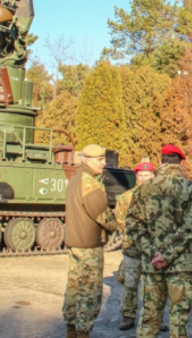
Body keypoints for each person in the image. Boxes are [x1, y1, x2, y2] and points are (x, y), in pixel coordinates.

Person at [127, 144, 192, 338]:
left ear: (160, 162)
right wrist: (168, 255)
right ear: (180, 163)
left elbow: (133, 225)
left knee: (149, 318)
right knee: (179, 320)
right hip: (180, 265)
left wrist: (153, 253)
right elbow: (190, 227)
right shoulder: (191, 190)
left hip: (152, 265)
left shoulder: (143, 190)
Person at [62, 144, 119, 338]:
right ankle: (83, 332)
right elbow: (101, 214)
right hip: (89, 245)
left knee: (73, 287)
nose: (104, 163)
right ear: (86, 160)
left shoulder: (75, 179)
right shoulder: (90, 182)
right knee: (90, 291)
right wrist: (115, 225)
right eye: (99, 160)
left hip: (74, 242)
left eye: (104, 159)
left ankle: (71, 329)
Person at [115, 161, 167, 332]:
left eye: (147, 175)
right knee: (130, 284)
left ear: (153, 176)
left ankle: (154, 319)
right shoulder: (126, 197)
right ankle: (128, 315)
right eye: (141, 175)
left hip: (153, 250)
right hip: (132, 248)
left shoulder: (160, 196)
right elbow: (120, 220)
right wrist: (134, 234)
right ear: (136, 176)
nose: (144, 178)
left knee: (153, 286)